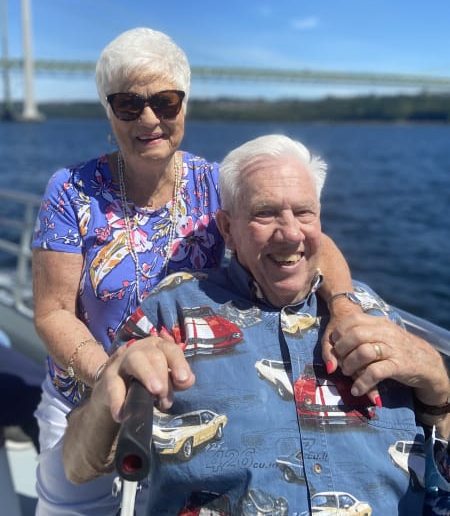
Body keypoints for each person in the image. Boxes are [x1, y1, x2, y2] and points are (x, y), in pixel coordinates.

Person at [31, 30, 358, 511]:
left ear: (183, 106)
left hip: (183, 400)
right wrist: (113, 377)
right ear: (108, 111)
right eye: (128, 104)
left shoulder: (214, 183)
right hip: (83, 396)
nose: (149, 119)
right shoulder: (71, 191)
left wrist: (346, 311)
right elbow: (53, 312)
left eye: (165, 102)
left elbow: (309, 241)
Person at [62, 134, 450, 515]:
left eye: (304, 213)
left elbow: (440, 473)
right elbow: (78, 465)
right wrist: (111, 387)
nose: (291, 234)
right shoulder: (172, 312)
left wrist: (439, 389)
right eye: (265, 213)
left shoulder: (369, 313)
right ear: (228, 229)